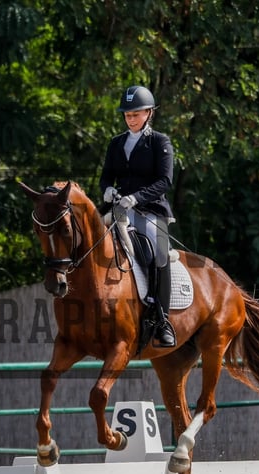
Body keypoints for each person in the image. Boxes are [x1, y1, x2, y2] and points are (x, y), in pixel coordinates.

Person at [99, 85, 176, 347]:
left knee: (160, 252)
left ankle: (162, 319)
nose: (130, 119)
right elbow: (106, 176)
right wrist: (108, 189)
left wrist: (137, 197)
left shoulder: (159, 142)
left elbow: (165, 181)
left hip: (150, 210)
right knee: (88, 242)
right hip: (119, 209)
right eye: (127, 115)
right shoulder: (116, 143)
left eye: (136, 114)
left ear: (149, 113)